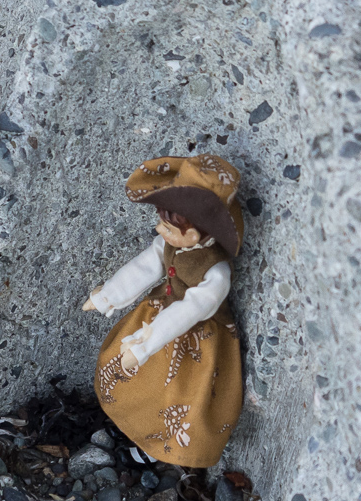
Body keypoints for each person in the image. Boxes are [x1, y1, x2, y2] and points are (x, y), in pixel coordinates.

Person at [83, 155, 246, 468]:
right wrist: (108, 296)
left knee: (177, 396)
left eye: (169, 227)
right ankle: (132, 427)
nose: (160, 230)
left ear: (196, 233)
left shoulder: (216, 273)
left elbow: (192, 309)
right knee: (139, 383)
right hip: (157, 316)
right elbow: (145, 267)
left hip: (193, 338)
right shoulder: (170, 244)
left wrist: (144, 345)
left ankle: (160, 446)